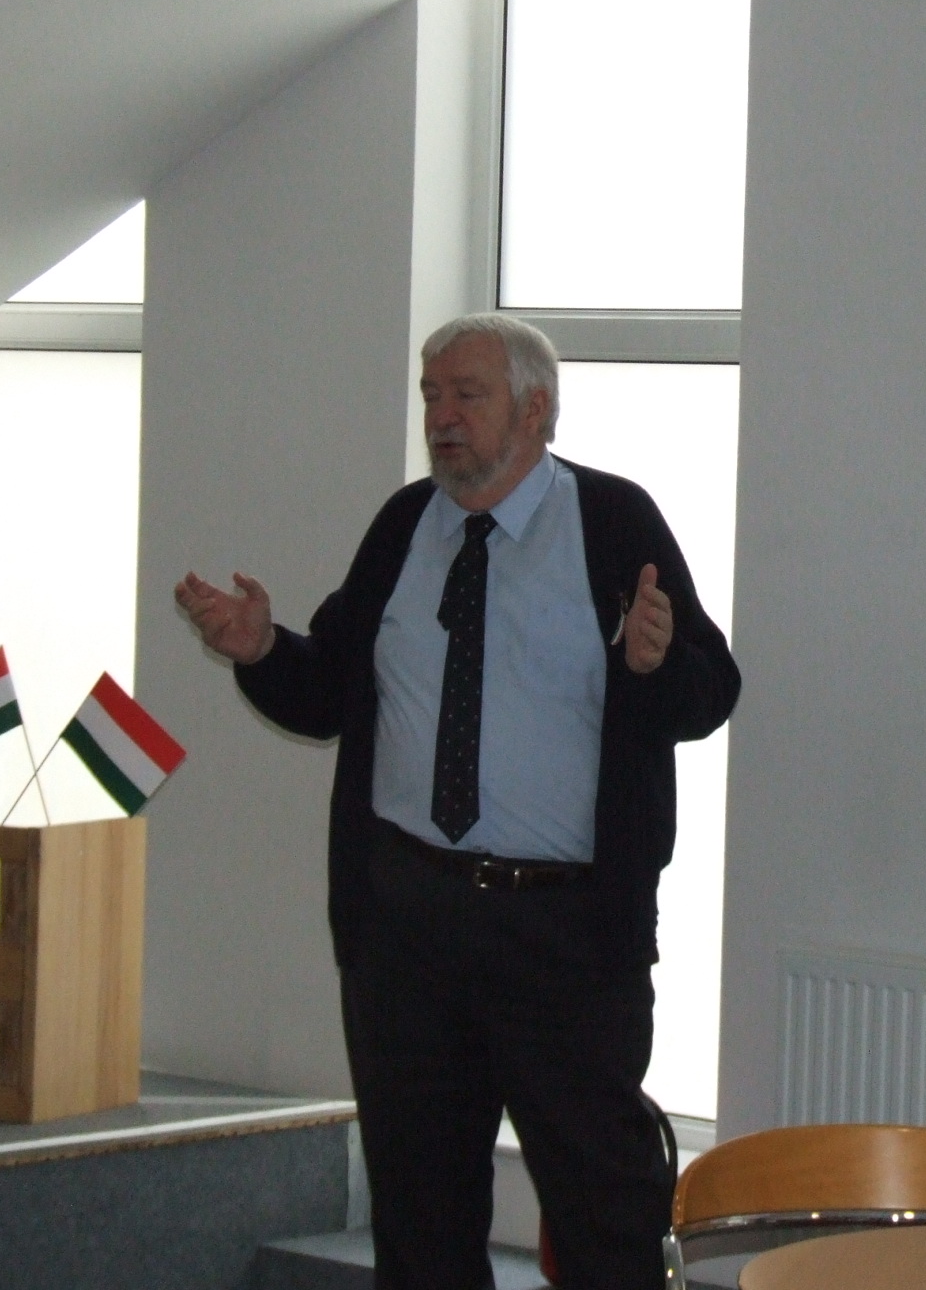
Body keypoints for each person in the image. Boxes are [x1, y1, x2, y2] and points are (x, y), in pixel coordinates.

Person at [175, 314, 739, 1290]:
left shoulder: (612, 522)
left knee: (608, 1222)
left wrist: (654, 665)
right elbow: (330, 694)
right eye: (431, 395)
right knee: (420, 1225)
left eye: (466, 396)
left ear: (536, 408)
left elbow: (708, 692)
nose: (442, 417)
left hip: (566, 938)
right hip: (407, 932)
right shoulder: (405, 525)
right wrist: (263, 650)